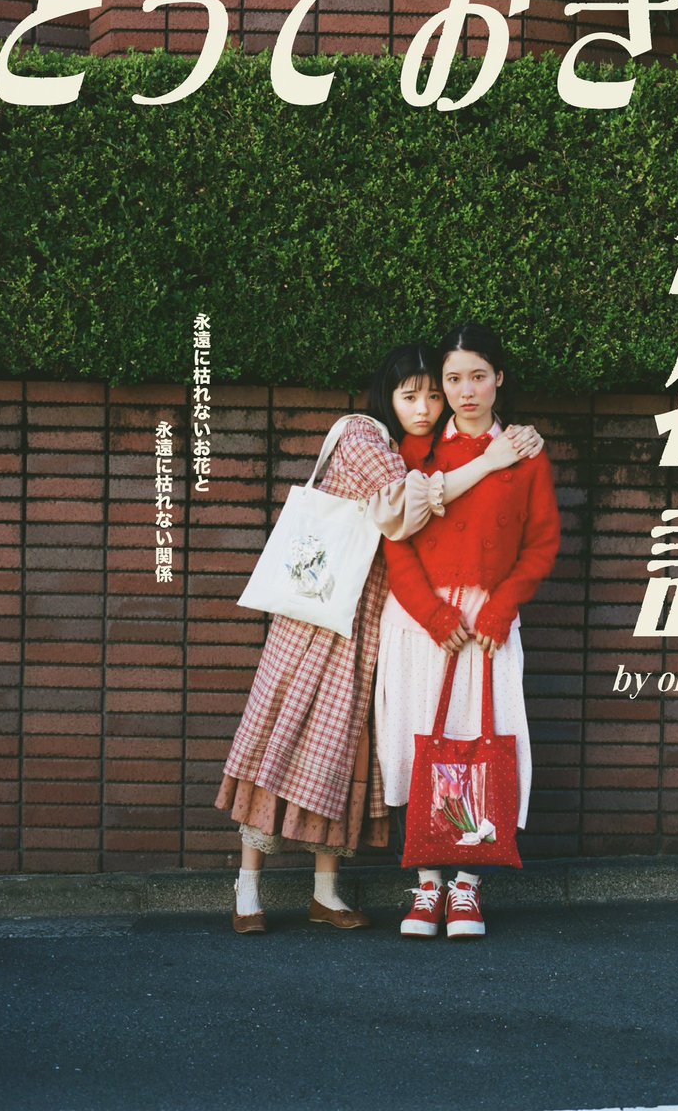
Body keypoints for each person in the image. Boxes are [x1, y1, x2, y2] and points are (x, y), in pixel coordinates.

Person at [214, 342, 543, 933]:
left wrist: (508, 445)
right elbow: (406, 511)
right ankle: (247, 888)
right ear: (386, 397)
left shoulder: (415, 449)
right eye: (410, 395)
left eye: (433, 396)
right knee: (280, 740)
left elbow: (534, 534)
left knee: (340, 755)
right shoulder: (366, 439)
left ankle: (326, 893)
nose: (425, 408)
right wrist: (492, 460)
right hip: (320, 621)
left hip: (366, 626)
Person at [376, 324, 561, 939]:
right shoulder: (416, 451)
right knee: (418, 746)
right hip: (420, 624)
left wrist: (500, 608)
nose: (465, 391)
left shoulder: (527, 454)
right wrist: (433, 615)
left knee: (480, 742)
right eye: (453, 379)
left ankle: (467, 885)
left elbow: (541, 544)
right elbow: (396, 545)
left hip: (486, 626)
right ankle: (426, 884)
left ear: (498, 378)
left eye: (478, 376)